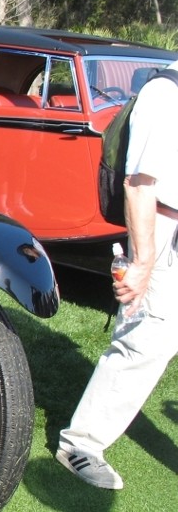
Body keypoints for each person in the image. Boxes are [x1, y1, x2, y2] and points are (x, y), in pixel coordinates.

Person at [56, 59, 178, 489]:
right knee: (146, 338)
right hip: (161, 229)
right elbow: (139, 184)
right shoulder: (166, 94)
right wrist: (143, 263)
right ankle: (80, 444)